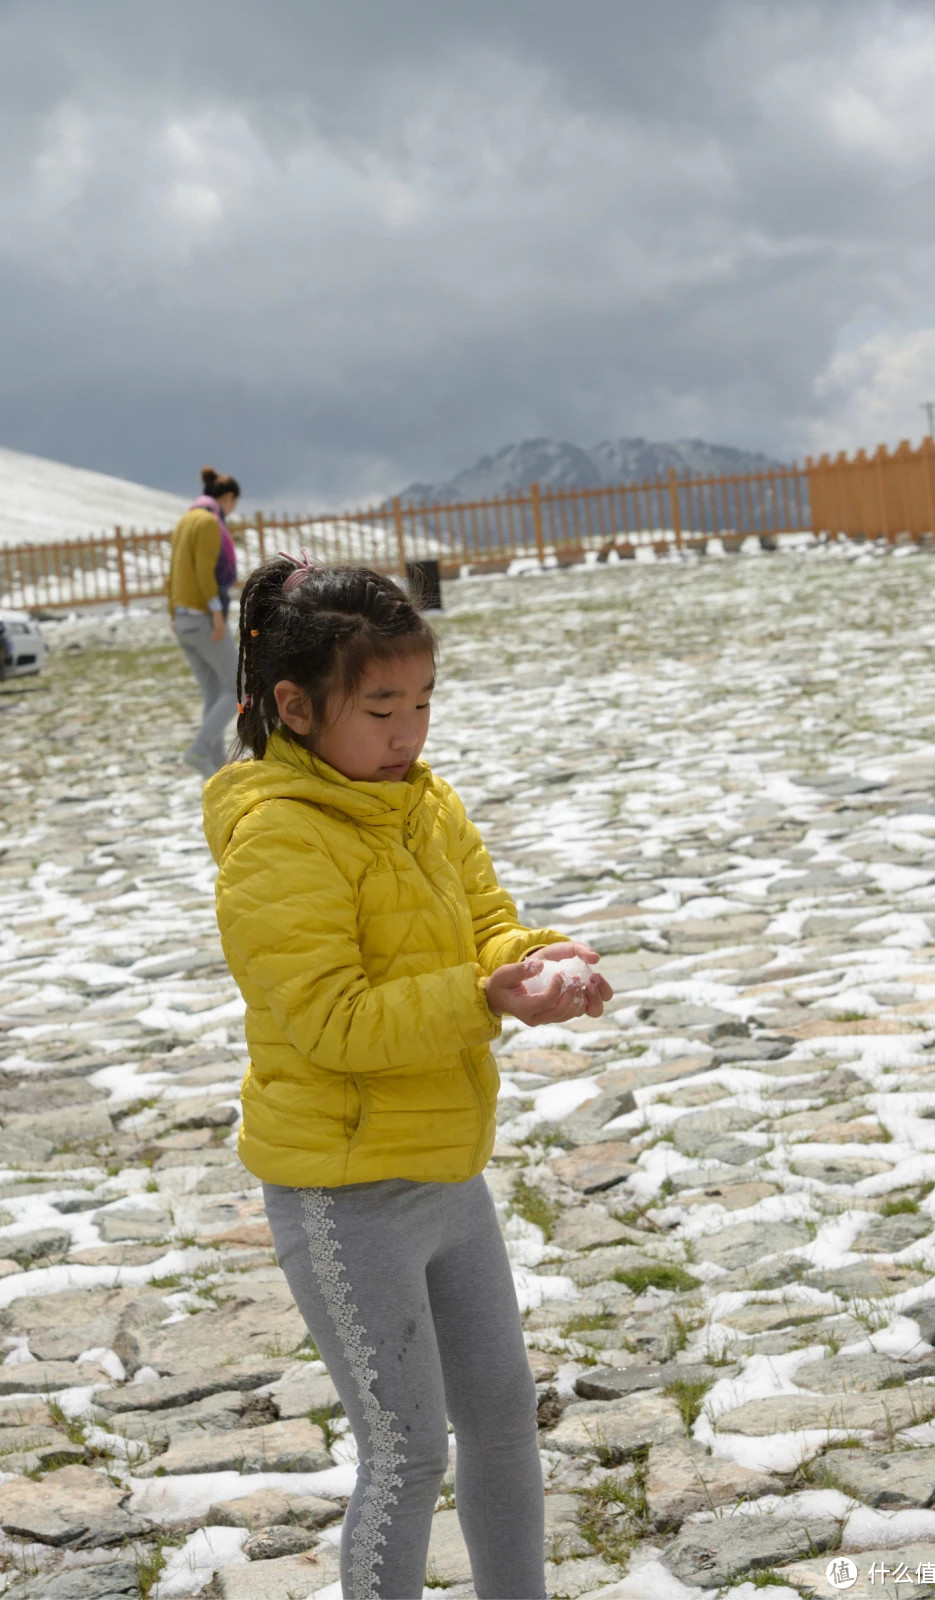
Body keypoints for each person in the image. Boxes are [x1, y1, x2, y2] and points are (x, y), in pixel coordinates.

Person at [202, 555, 614, 1600]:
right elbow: (333, 1021)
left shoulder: (424, 806)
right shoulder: (276, 842)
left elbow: (488, 924)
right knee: (408, 1449)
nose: (409, 733)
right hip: (346, 1198)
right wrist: (485, 999)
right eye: (382, 707)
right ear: (295, 708)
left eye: (422, 703)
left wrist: (538, 963)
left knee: (501, 1419)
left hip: (447, 1170)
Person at [166, 466, 241, 777]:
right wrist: (217, 614)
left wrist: (172, 613)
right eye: (233, 503)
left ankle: (218, 767)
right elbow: (203, 572)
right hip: (203, 617)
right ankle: (198, 750)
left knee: (214, 692)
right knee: (238, 688)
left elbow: (173, 574)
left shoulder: (185, 521)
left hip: (183, 620)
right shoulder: (209, 523)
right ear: (226, 498)